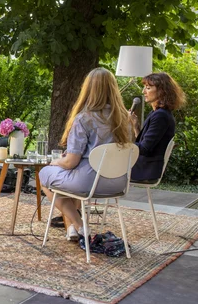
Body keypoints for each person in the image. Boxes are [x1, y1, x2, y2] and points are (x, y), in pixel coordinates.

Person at [39, 68, 133, 241]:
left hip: (89, 183)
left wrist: (54, 162)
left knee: (45, 175)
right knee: (68, 179)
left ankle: (79, 224)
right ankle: (72, 230)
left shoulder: (84, 119)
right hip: (119, 183)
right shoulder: (126, 118)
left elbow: (71, 162)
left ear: (88, 89)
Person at [130, 72, 186, 181]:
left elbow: (144, 149)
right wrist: (135, 126)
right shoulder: (157, 113)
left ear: (161, 91)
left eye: (148, 88)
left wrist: (121, 144)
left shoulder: (160, 115)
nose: (143, 91)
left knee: (101, 169)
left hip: (145, 170)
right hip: (143, 166)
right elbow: (144, 144)